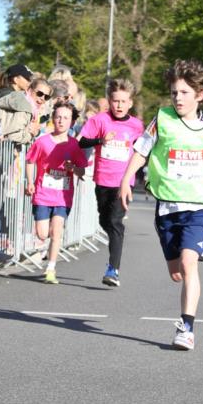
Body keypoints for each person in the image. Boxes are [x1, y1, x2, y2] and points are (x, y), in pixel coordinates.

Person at [119, 59, 203, 352]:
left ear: (200, 95)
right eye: (174, 93)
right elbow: (142, 150)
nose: (178, 98)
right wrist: (126, 179)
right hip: (167, 207)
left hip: (198, 206)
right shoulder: (163, 120)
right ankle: (183, 292)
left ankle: (187, 328)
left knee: (188, 262)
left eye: (184, 92)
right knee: (176, 271)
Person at [78, 77, 144, 286]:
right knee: (104, 220)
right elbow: (82, 142)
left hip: (123, 182)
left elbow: (143, 150)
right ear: (109, 100)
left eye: (124, 101)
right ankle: (115, 238)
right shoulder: (99, 120)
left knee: (115, 222)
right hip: (102, 180)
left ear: (130, 103)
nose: (119, 105)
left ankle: (113, 269)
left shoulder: (136, 126)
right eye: (116, 101)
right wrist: (100, 141)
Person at [24, 101, 87, 284]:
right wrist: (30, 181)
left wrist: (73, 168)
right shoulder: (42, 141)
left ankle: (51, 268)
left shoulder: (74, 145)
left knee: (57, 231)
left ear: (72, 122)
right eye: (58, 117)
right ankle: (45, 248)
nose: (61, 121)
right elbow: (30, 160)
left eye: (66, 118)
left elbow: (82, 172)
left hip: (63, 195)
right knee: (43, 234)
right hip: (43, 194)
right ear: (53, 119)